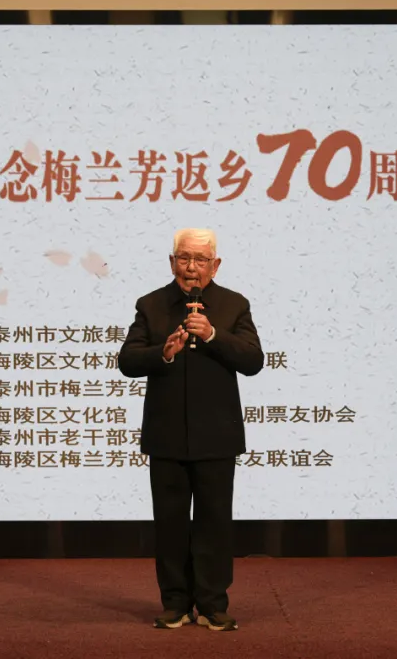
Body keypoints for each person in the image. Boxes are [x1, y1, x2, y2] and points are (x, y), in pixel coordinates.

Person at [118, 228, 263, 632]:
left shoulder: (234, 305)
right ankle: (175, 603)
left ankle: (214, 604)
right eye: (184, 258)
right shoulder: (151, 305)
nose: (191, 268)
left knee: (215, 524)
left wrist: (213, 334)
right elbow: (127, 360)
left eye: (200, 260)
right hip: (166, 435)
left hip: (217, 436)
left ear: (215, 265)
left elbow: (253, 360)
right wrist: (161, 353)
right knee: (170, 525)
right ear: (172, 262)